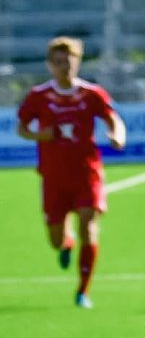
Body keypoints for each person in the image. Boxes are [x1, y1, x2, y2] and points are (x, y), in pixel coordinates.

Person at [17, 36, 126, 308]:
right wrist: (42, 135)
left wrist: (117, 135)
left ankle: (83, 291)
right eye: (58, 62)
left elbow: (113, 118)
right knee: (55, 240)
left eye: (68, 61)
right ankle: (66, 243)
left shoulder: (91, 93)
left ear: (77, 62)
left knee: (88, 224)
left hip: (86, 173)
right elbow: (22, 128)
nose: (64, 67)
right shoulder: (39, 96)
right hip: (54, 177)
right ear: (50, 65)